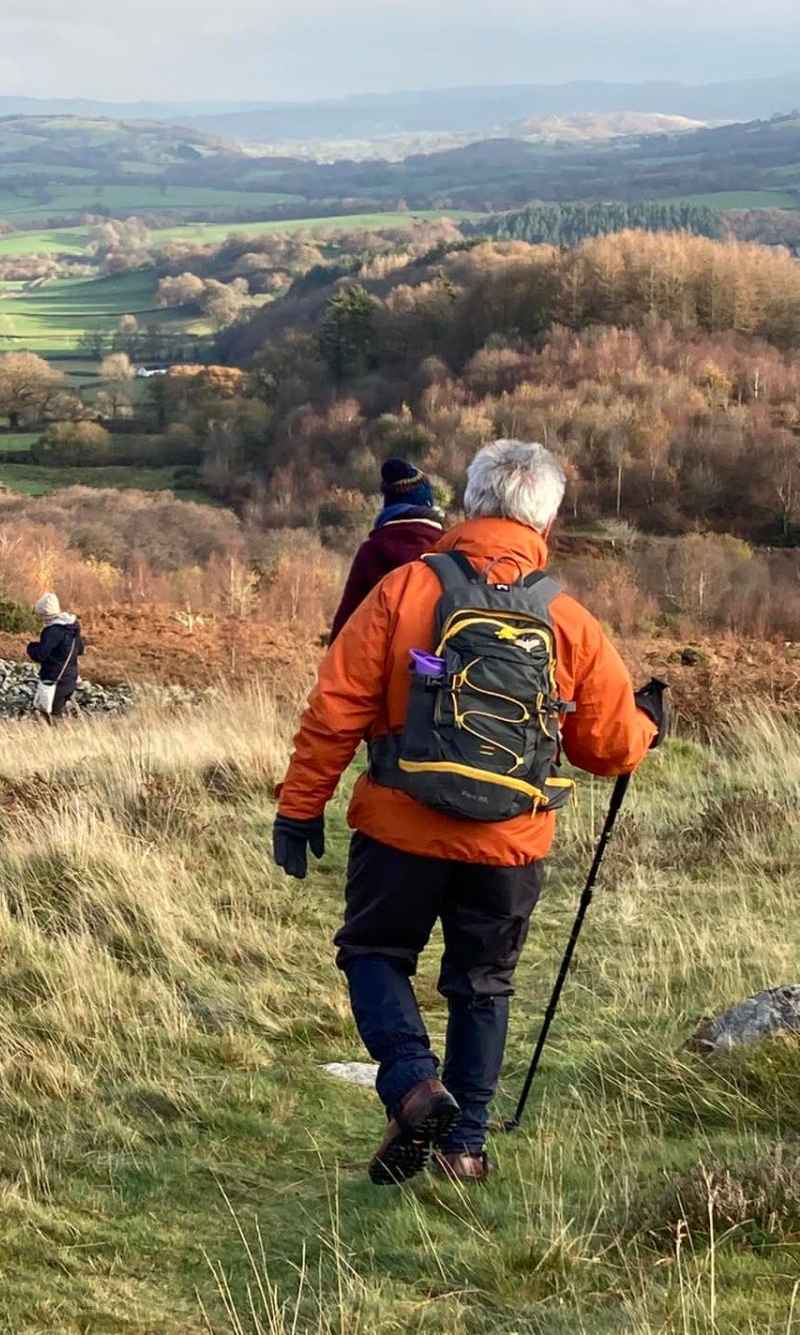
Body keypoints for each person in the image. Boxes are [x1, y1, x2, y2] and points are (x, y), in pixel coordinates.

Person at [273, 440, 665, 1186]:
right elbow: (608, 749)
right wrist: (647, 721)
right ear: (546, 521)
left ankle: (416, 1086)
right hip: (509, 842)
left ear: (468, 506)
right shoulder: (567, 617)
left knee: (376, 954)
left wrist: (300, 809)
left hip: (400, 825)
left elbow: (336, 707)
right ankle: (466, 1150)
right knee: (482, 986)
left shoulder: (404, 591)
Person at [329, 458, 448, 643]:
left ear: (388, 507)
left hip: (379, 664)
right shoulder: (449, 550)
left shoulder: (370, 552)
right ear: (428, 505)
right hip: (437, 665)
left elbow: (345, 626)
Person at [25, 592, 85, 721]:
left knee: (51, 718)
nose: (40, 619)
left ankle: (56, 739)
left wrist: (30, 647)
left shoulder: (52, 631)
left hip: (55, 680)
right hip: (70, 679)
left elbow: (40, 655)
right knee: (61, 715)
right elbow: (80, 649)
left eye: (40, 615)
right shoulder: (73, 626)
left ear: (45, 614)